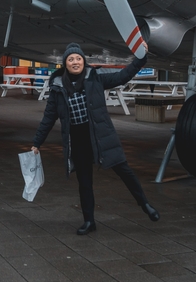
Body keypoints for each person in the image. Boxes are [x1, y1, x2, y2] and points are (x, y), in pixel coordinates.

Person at [31, 43, 160, 235]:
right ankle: (89, 221)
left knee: (124, 170)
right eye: (71, 59)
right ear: (65, 64)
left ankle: (145, 205)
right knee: (84, 182)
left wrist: (140, 59)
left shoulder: (95, 78)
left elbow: (122, 76)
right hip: (78, 140)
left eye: (78, 58)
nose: (75, 62)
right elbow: (49, 117)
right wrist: (37, 143)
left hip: (101, 135)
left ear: (84, 61)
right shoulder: (58, 87)